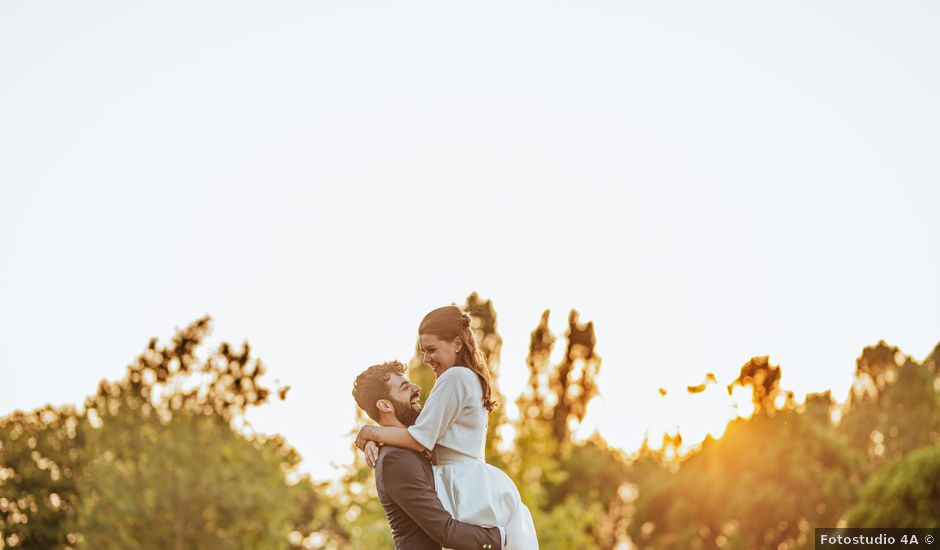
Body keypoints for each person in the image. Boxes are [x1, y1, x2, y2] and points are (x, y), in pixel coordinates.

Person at [356, 306, 539, 550]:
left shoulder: (455, 378)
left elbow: (419, 437)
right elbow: (418, 430)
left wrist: (371, 433)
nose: (425, 359)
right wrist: (373, 438)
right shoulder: (464, 377)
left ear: (456, 343)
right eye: (424, 351)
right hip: (469, 481)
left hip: (461, 481)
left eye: (431, 350)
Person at [352, 360, 504, 550]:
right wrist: (502, 536)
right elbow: (444, 530)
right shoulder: (395, 459)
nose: (416, 389)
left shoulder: (413, 447)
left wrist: (371, 435)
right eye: (405, 387)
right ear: (384, 405)